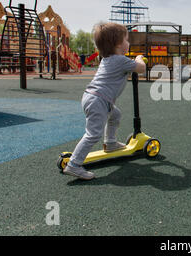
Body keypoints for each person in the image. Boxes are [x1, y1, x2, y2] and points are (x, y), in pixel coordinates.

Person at [63, 22, 146, 180]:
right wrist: (139, 59)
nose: (129, 43)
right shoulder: (120, 60)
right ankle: (74, 165)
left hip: (96, 98)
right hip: (98, 100)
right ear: (118, 44)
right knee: (93, 134)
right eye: (127, 40)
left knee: (115, 115)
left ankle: (110, 143)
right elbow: (140, 68)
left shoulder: (107, 59)